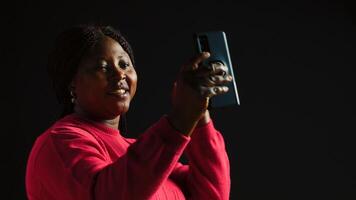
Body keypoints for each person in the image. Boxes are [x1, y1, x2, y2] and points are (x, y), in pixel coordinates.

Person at [25, 24, 232, 200]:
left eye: (125, 64)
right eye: (103, 67)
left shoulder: (139, 152)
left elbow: (212, 194)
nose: (120, 74)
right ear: (72, 85)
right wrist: (180, 117)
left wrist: (198, 113)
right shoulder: (58, 143)